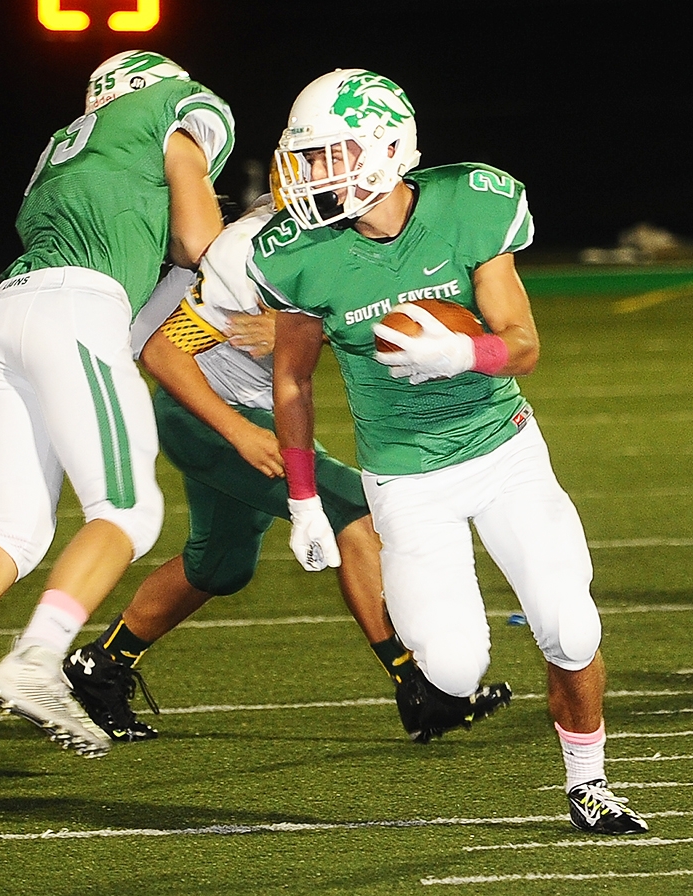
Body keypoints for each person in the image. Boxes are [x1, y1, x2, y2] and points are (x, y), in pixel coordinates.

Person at [256, 69, 647, 835]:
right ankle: (456, 665)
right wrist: (302, 499)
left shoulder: (468, 203)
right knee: (452, 666)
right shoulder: (298, 253)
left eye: (333, 153)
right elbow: (292, 380)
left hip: (503, 454)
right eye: (309, 157)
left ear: (388, 147)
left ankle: (588, 782)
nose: (315, 174)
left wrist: (465, 354)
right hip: (406, 482)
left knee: (570, 627)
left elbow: (523, 344)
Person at [0, 50, 234, 782]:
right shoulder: (171, 109)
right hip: (74, 308)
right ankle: (36, 658)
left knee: (12, 530)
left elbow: (150, 301)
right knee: (128, 511)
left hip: (6, 313)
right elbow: (199, 244)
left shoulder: (65, 151)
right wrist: (246, 253)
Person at [63, 185, 510, 743]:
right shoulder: (252, 248)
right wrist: (240, 431)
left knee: (220, 566)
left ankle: (102, 663)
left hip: (246, 414)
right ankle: (417, 684)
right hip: (212, 418)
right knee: (353, 510)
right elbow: (161, 351)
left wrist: (303, 330)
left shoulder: (350, 237)